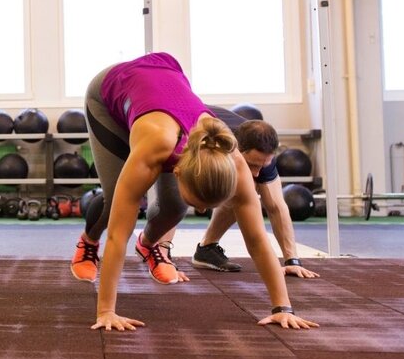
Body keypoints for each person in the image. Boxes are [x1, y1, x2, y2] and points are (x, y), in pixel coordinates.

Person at [69, 53, 317, 331]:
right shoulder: (154, 147)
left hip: (164, 81)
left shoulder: (233, 159)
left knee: (175, 208)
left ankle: (149, 245)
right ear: (176, 171)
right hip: (110, 91)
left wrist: (283, 307)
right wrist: (106, 312)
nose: (200, 212)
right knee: (117, 201)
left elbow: (258, 239)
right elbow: (117, 236)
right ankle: (88, 243)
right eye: (198, 204)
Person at [192, 117, 320, 279]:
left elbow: (276, 208)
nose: (256, 173)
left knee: (246, 187)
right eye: (252, 165)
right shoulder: (210, 142)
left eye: (263, 165)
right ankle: (157, 248)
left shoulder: (262, 156)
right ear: (236, 150)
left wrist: (292, 260)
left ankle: (206, 249)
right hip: (185, 133)